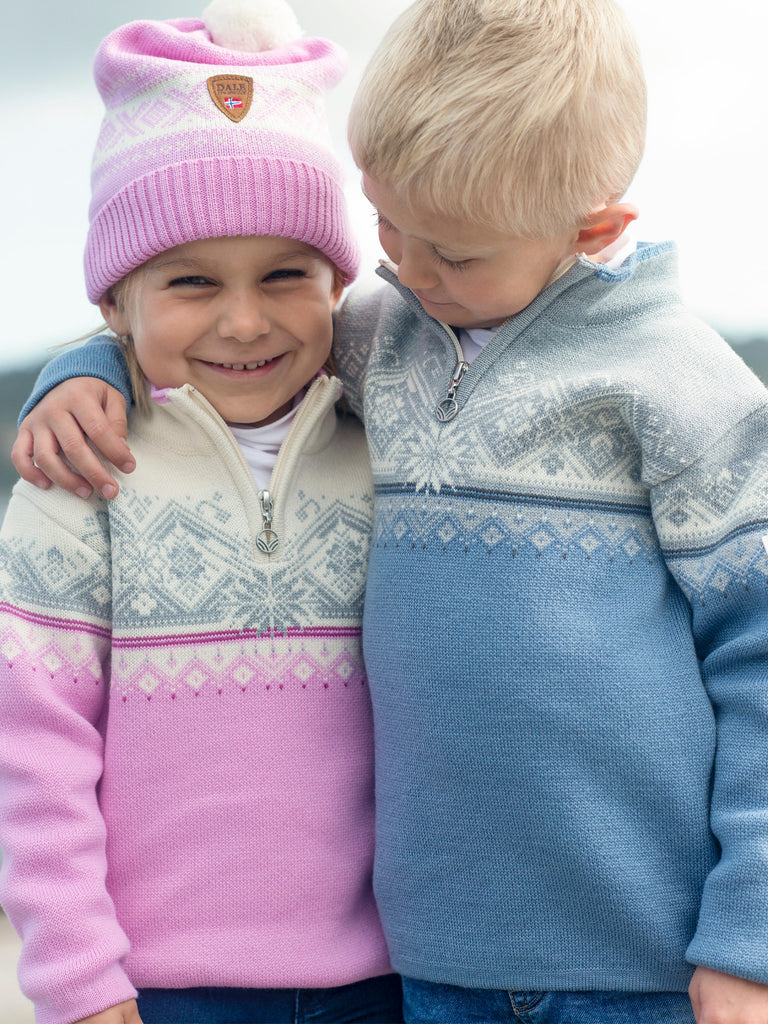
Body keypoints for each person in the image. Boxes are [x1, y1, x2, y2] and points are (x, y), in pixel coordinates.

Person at [10, 0, 768, 1021]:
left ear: (593, 228)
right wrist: (84, 366)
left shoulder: (682, 390)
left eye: (450, 253)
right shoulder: (389, 338)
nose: (405, 275)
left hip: (640, 960)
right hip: (428, 966)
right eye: (386, 231)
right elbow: (204, 320)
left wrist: (749, 935)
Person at [0, 2, 405, 1024]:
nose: (243, 319)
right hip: (159, 993)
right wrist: (79, 987)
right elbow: (33, 755)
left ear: (341, 282)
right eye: (190, 282)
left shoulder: (393, 435)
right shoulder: (77, 474)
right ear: (113, 304)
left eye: (287, 274)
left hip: (392, 982)